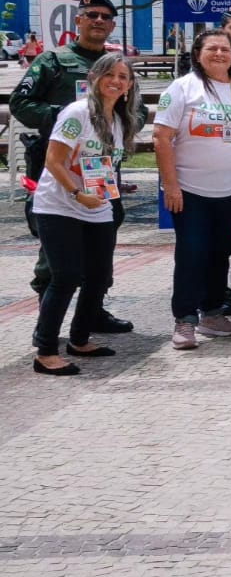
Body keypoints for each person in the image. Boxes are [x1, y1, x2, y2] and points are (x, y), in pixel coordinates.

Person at [10, 0, 144, 322]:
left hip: (101, 168)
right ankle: (48, 320)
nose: (98, 21)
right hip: (58, 163)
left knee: (102, 241)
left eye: (105, 17)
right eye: (91, 15)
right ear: (79, 21)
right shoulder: (53, 61)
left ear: (112, 26)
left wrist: (120, 124)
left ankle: (92, 313)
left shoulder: (116, 66)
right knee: (55, 246)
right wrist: (66, 116)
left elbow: (137, 111)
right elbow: (20, 103)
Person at [154, 29, 231, 350]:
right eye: (212, 48)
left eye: (225, 49)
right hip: (190, 191)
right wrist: (171, 186)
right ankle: (185, 319)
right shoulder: (182, 88)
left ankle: (213, 313)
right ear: (198, 54)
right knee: (192, 253)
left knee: (220, 253)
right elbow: (161, 137)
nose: (219, 54)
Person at [30, 53, 139, 375]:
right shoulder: (77, 113)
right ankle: (46, 351)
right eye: (109, 74)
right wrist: (77, 193)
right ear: (94, 77)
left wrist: (103, 195)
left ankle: (79, 339)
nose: (115, 81)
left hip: (97, 207)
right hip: (59, 205)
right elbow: (53, 161)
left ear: (129, 85)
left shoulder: (118, 120)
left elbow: (103, 166)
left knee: (99, 276)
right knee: (65, 277)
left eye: (122, 77)